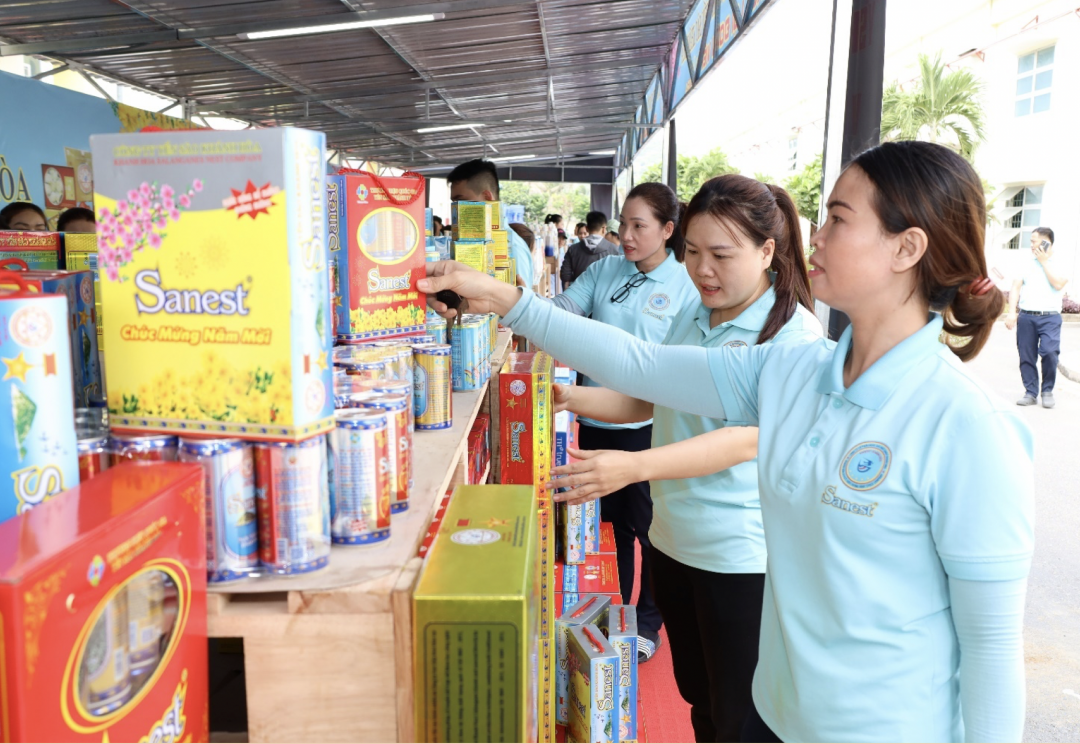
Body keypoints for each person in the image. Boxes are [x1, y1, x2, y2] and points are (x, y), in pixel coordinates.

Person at [421, 141, 1034, 743]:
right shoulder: (794, 373)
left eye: (839, 220)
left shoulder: (968, 426)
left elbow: (992, 652)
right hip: (778, 713)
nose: (814, 236)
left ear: (907, 248)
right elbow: (642, 366)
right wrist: (507, 299)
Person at [549, 175, 821, 742]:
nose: (702, 270)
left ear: (767, 250)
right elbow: (646, 395)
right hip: (674, 543)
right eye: (692, 253)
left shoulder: (792, 334)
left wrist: (634, 467)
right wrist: (569, 397)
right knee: (700, 700)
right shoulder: (693, 314)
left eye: (721, 255)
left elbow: (748, 438)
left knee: (744, 719)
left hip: (742, 558)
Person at [543, 182, 700, 663]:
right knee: (605, 534)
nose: (626, 236)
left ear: (668, 230)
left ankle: (649, 622)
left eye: (639, 226)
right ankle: (614, 616)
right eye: (623, 224)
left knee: (648, 531)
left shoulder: (687, 284)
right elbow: (563, 312)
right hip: (592, 422)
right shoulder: (606, 268)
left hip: (648, 431)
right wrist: (515, 308)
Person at [1004, 227, 1070, 408]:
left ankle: (1047, 390)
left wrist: (1044, 262)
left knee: (1050, 353)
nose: (1031, 245)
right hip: (1027, 316)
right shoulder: (1025, 263)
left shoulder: (1061, 262)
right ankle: (1030, 392)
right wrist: (1012, 312)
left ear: (1046, 242)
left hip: (1050, 317)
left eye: (1034, 241)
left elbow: (1057, 284)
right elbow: (1016, 287)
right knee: (1026, 355)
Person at [447, 160, 533, 285]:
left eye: (461, 201)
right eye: (453, 203)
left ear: (487, 198)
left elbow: (524, 301)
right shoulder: (468, 244)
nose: (455, 210)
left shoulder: (512, 247)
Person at [561, 210, 621, 289]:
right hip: (604, 297)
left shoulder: (573, 249)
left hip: (579, 295)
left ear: (587, 228)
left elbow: (565, 275)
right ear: (604, 229)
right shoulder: (614, 250)